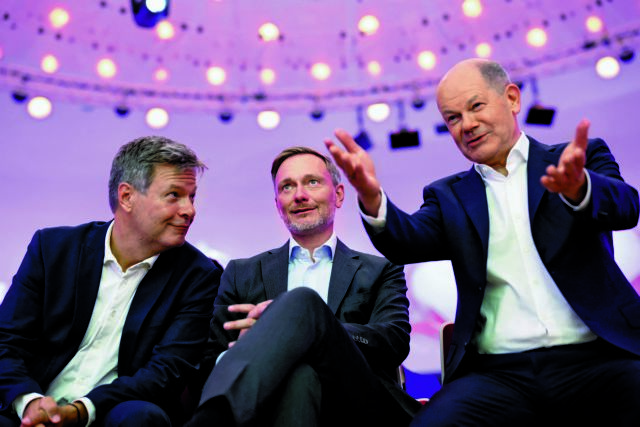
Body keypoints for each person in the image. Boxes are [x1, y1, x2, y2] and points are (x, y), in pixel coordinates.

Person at [325, 58, 640, 426]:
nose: (467, 124)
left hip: (599, 360)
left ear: (512, 99)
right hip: (497, 375)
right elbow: (404, 242)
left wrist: (581, 189)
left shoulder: (575, 162)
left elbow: (626, 208)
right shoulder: (448, 196)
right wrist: (371, 197)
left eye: (476, 106)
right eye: (453, 118)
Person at [185, 147, 421, 427]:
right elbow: (211, 359)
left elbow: (394, 342)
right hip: (268, 408)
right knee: (300, 377)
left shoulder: (380, 269)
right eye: (287, 187)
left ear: (339, 195)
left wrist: (308, 328)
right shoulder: (241, 273)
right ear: (278, 204)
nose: (299, 195)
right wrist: (251, 347)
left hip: (358, 406)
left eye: (312, 182)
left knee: (303, 304)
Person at [0, 136, 222, 427]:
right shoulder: (53, 249)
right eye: (174, 195)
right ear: (127, 197)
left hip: (113, 413)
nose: (189, 210)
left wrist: (80, 411)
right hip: (32, 407)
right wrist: (29, 403)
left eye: (191, 197)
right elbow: (6, 341)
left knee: (142, 417)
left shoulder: (199, 275)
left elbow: (167, 371)